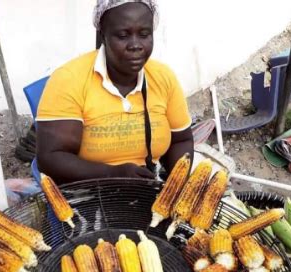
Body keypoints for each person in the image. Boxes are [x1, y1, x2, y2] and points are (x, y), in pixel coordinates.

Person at [36, 0, 193, 184]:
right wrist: (112, 174)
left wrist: (178, 185)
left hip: (149, 187)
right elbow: (50, 158)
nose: (136, 45)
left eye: (144, 34)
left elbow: (181, 140)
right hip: (88, 191)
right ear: (103, 34)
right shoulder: (69, 79)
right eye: (123, 35)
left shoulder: (163, 77)